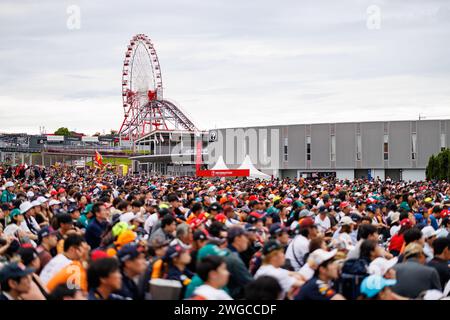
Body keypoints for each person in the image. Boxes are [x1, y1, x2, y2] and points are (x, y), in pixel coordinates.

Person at [225, 226, 253, 299]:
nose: (247, 240)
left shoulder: (227, 251)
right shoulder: (233, 259)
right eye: (245, 237)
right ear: (237, 239)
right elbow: (250, 283)